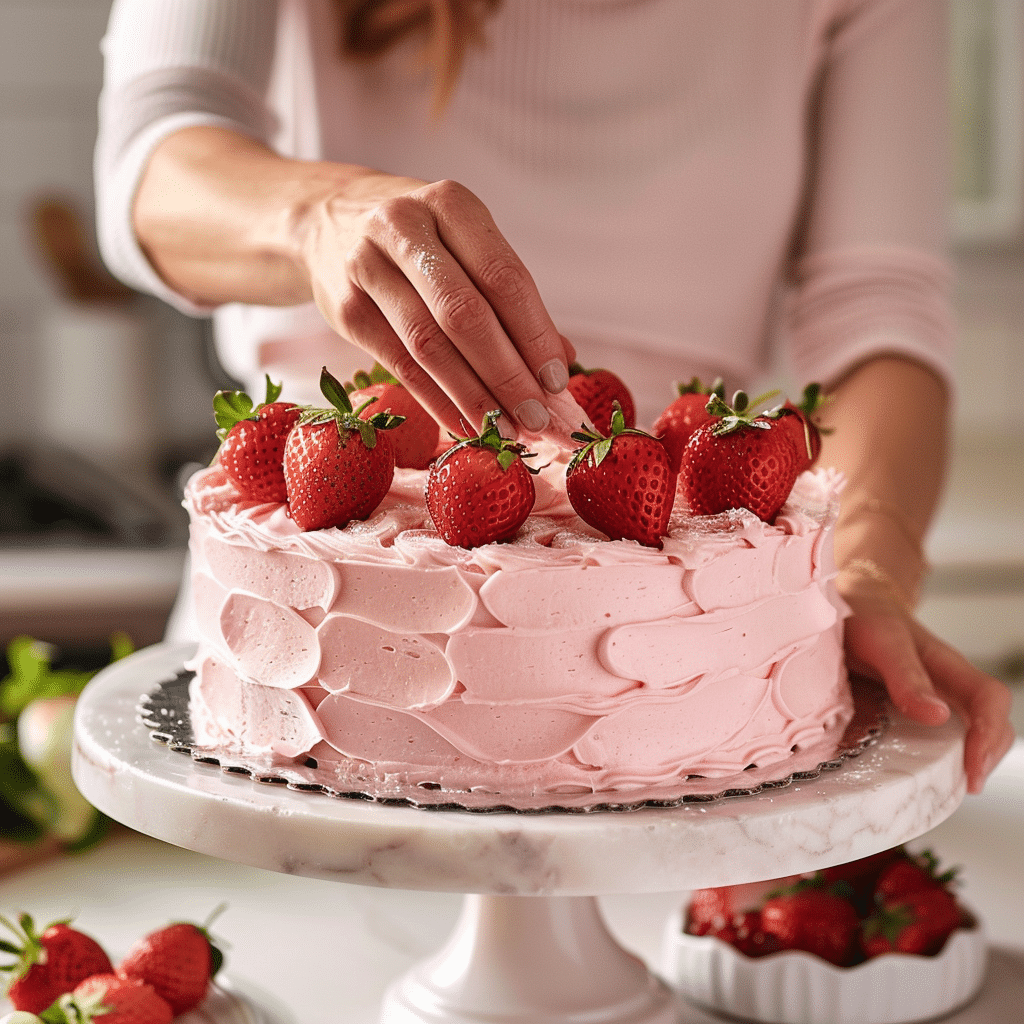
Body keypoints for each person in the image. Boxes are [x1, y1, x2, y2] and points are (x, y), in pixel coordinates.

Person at [94, 0, 1014, 793]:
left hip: (687, 616)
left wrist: (860, 568)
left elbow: (878, 309)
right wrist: (316, 214)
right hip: (306, 599)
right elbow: (152, 157)